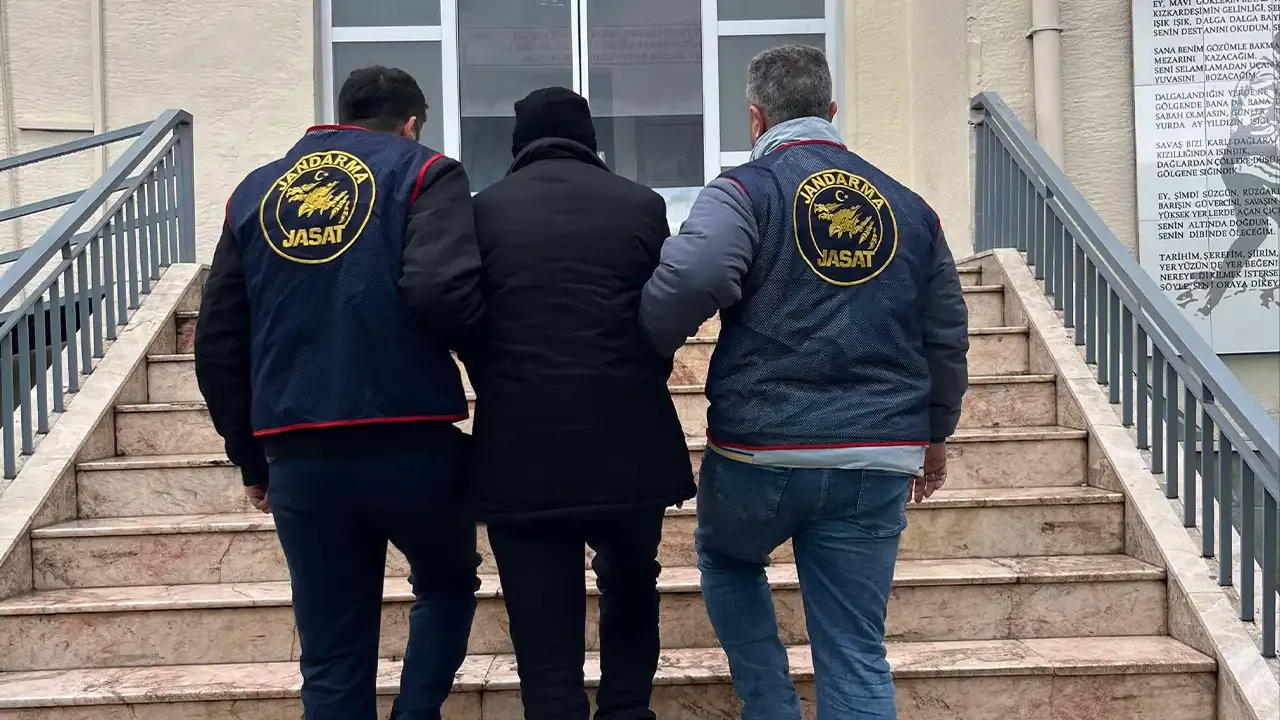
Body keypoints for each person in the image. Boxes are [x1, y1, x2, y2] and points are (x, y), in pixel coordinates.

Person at [640, 46, 969, 720]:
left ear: (755, 118)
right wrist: (935, 434)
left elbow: (696, 274)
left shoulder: (745, 190)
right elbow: (945, 335)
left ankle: (770, 706)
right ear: (832, 111)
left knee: (727, 560)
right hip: (879, 451)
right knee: (855, 648)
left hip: (761, 448)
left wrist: (649, 343)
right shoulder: (911, 209)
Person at [194, 66, 483, 720]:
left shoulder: (255, 191)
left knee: (331, 651)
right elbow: (442, 291)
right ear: (411, 123)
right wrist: (488, 376)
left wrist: (249, 456)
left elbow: (218, 340)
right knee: (445, 583)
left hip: (299, 452)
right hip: (411, 439)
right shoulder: (424, 171)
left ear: (339, 115)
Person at [466, 86, 696, 720]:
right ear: (593, 141)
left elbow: (457, 306)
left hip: (520, 440)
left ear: (517, 146)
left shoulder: (482, 211)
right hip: (628, 435)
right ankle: (626, 710)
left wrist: (493, 372)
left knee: (538, 605)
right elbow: (664, 307)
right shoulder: (642, 205)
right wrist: (645, 367)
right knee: (631, 582)